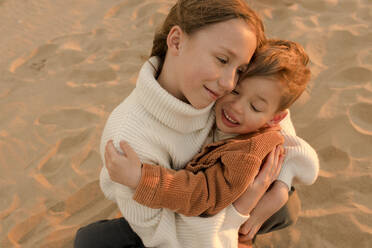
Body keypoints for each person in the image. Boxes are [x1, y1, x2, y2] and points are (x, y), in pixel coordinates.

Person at [73, 1, 317, 247]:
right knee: (93, 242)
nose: (230, 84)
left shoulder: (220, 90)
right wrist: (240, 211)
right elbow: (169, 239)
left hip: (210, 199)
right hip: (175, 225)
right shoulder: (130, 141)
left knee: (287, 206)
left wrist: (280, 187)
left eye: (240, 70)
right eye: (222, 59)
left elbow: (274, 113)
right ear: (177, 41)